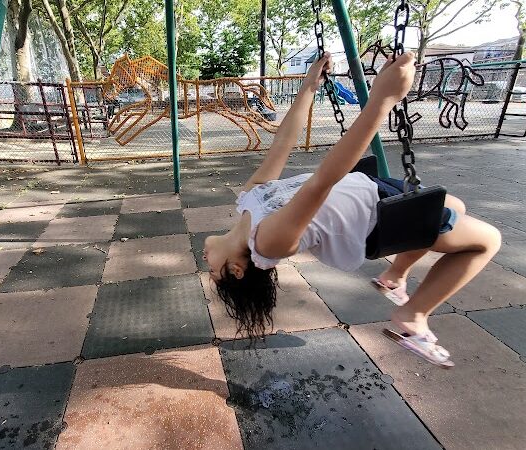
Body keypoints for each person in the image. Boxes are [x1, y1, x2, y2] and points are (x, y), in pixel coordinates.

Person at [202, 51, 501, 366]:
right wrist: (382, 100)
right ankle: (413, 314)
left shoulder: (247, 200)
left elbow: (283, 143)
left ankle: (395, 275)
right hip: (379, 223)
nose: (205, 261)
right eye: (211, 270)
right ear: (237, 269)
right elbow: (321, 183)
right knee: (488, 240)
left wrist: (308, 87)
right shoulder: (267, 243)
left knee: (455, 205)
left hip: (371, 189)